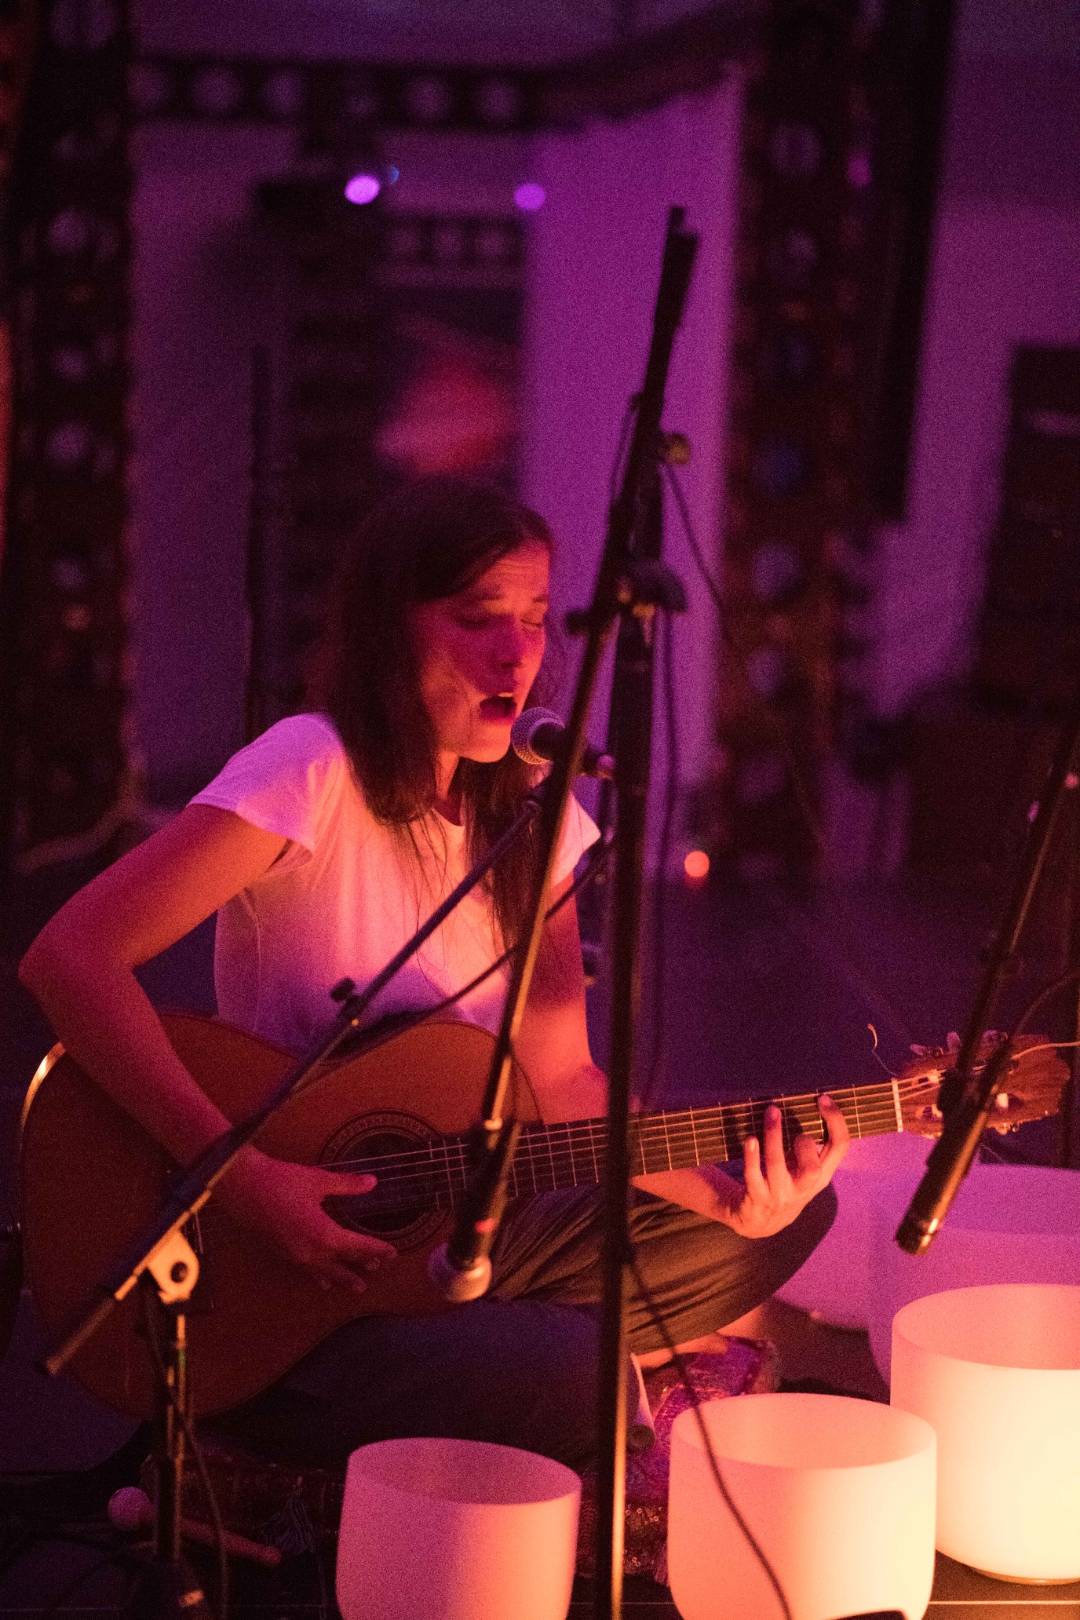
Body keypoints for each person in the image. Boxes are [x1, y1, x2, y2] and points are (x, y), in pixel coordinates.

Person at [19, 476, 847, 1472]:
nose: (518, 653)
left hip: (462, 1221)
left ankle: (460, 1367)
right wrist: (238, 1181)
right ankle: (268, 1435)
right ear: (390, 631)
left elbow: (565, 1083)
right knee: (566, 1370)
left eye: (537, 618)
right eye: (477, 619)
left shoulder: (535, 817)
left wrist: (733, 1202)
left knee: (793, 1221)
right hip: (280, 1260)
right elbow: (69, 957)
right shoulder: (312, 771)